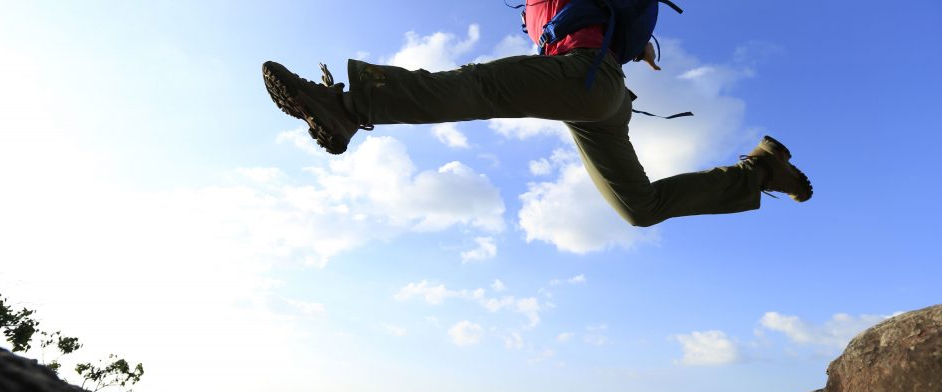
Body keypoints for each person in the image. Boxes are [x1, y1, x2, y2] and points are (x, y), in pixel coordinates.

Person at [261, 1, 812, 228]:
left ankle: (346, 106)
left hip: (584, 77)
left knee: (477, 86)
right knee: (638, 207)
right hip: (603, 96)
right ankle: (760, 171)